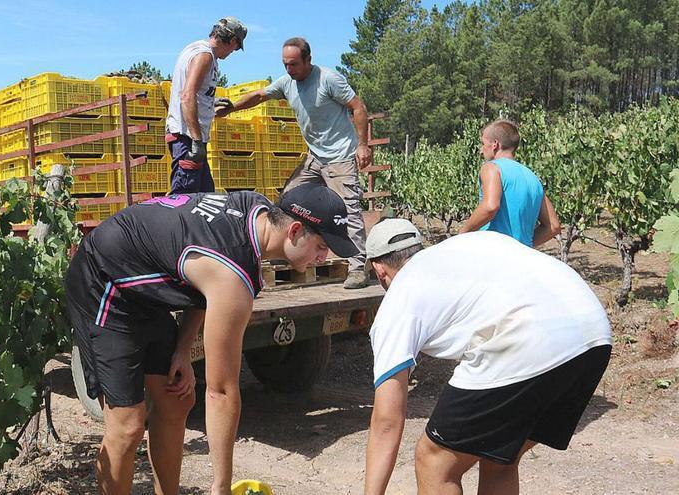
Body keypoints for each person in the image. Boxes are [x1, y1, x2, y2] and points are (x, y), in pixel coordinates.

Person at [64, 184, 358, 495]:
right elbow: (221, 391)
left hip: (142, 286)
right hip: (103, 281)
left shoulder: (256, 212)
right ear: (295, 230)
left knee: (177, 400)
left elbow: (202, 282)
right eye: (322, 246)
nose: (323, 257)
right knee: (127, 426)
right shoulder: (232, 275)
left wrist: (183, 347)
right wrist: (221, 486)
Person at [363, 219, 612, 495]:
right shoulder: (461, 248)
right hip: (593, 331)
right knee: (498, 456)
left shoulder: (398, 300)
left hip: (530, 338)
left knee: (435, 461)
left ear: (379, 269)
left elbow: (387, 421)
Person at [218, 37, 372, 289]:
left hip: (340, 157)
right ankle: (283, 251)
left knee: (348, 211)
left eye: (294, 64)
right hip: (314, 157)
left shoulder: (328, 79)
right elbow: (259, 95)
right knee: (288, 199)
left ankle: (357, 268)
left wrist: (363, 145)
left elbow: (358, 106)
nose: (289, 70)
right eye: (285, 64)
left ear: (308, 60)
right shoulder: (287, 82)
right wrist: (231, 108)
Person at [166, 16, 247, 195]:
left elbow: (193, 90)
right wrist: (196, 141)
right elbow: (187, 95)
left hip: (191, 137)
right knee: (185, 200)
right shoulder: (204, 55)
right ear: (233, 40)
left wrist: (211, 101)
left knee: (205, 198)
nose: (233, 51)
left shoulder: (196, 48)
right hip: (186, 137)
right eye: (236, 47)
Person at [458, 119, 561, 247]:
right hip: (522, 259)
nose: (481, 150)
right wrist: (523, 247)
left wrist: (462, 234)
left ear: (495, 144)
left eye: (483, 143)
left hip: (494, 253)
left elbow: (490, 207)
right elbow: (553, 226)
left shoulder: (491, 168)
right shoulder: (533, 178)